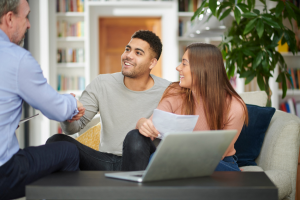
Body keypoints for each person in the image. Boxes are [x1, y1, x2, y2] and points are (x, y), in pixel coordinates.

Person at [46, 30, 171, 171]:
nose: (128, 56)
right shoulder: (102, 83)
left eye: (138, 53)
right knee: (56, 142)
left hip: (143, 161)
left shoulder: (168, 90)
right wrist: (68, 116)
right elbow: (73, 128)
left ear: (152, 63)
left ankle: (133, 191)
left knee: (136, 138)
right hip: (104, 160)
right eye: (127, 49)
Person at [0, 0, 86, 199]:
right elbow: (57, 110)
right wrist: (73, 102)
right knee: (68, 151)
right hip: (4, 172)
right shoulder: (17, 59)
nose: (29, 24)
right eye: (26, 16)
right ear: (10, 18)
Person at [122, 43, 249, 171]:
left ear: (202, 68)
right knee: (135, 136)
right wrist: (142, 123)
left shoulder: (235, 106)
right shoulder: (175, 91)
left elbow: (217, 155)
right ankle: (137, 188)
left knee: (175, 157)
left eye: (184, 63)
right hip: (173, 157)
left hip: (215, 163)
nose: (178, 68)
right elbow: (152, 126)